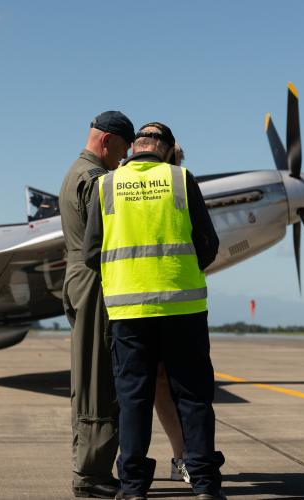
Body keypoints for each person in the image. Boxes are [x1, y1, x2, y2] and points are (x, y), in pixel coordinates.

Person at [83, 122, 225, 499]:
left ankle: (132, 488)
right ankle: (206, 484)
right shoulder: (181, 179)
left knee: (134, 400)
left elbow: (91, 253)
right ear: (166, 149)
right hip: (184, 309)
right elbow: (208, 243)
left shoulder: (106, 184)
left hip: (128, 312)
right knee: (193, 397)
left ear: (133, 149)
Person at [60, 111, 133, 498]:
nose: (122, 160)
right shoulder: (96, 180)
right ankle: (91, 475)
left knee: (94, 376)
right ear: (106, 142)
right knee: (97, 379)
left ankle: (92, 469)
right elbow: (101, 241)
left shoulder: (76, 171)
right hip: (94, 281)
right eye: (121, 150)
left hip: (79, 279)